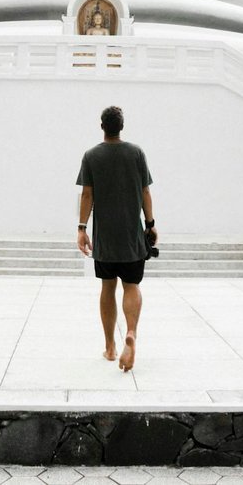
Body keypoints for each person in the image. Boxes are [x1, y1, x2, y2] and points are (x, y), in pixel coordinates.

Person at [75, 105, 156, 371]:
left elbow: (87, 195)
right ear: (121, 126)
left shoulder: (91, 156)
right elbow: (145, 192)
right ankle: (130, 332)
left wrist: (82, 228)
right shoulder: (136, 153)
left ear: (102, 127)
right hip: (132, 236)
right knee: (131, 286)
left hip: (105, 239)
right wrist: (151, 224)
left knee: (107, 288)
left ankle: (110, 346)